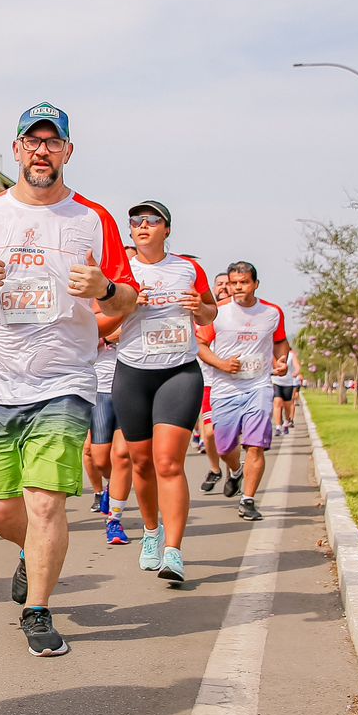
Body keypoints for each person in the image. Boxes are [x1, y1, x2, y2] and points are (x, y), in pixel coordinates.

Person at [0, 101, 138, 656]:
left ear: (68, 151)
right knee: (0, 510)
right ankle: (32, 552)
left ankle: (38, 608)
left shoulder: (93, 219)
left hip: (64, 378)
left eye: (53, 141)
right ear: (17, 149)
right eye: (32, 140)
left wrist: (104, 290)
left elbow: (128, 295)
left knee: (45, 502)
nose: (41, 150)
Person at [106, 201, 216, 583]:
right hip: (133, 372)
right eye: (136, 221)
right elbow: (100, 324)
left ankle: (174, 550)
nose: (143, 226)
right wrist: (129, 305)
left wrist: (199, 308)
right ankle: (150, 533)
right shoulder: (122, 272)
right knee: (140, 462)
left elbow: (210, 312)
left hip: (179, 372)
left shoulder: (188, 268)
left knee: (168, 461)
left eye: (152, 220)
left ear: (167, 229)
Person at [198, 261, 289, 522]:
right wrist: (221, 364)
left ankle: (248, 500)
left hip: (258, 385)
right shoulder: (217, 312)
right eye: (234, 283)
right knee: (224, 446)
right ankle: (235, 470)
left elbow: (280, 342)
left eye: (244, 282)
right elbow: (201, 345)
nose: (238, 288)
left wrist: (281, 361)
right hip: (224, 388)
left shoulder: (272, 313)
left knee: (255, 445)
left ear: (255, 284)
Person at [86, 329, 132, 545]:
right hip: (99, 390)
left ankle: (114, 520)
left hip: (130, 385)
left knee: (122, 454)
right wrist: (105, 337)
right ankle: (110, 488)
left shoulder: (134, 306)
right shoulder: (89, 307)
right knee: (101, 459)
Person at [198, 271, 230, 492]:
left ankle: (233, 472)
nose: (224, 288)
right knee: (209, 432)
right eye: (219, 284)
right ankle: (215, 468)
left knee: (229, 436)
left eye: (228, 284)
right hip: (209, 381)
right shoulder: (203, 313)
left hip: (236, 383)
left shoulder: (240, 314)